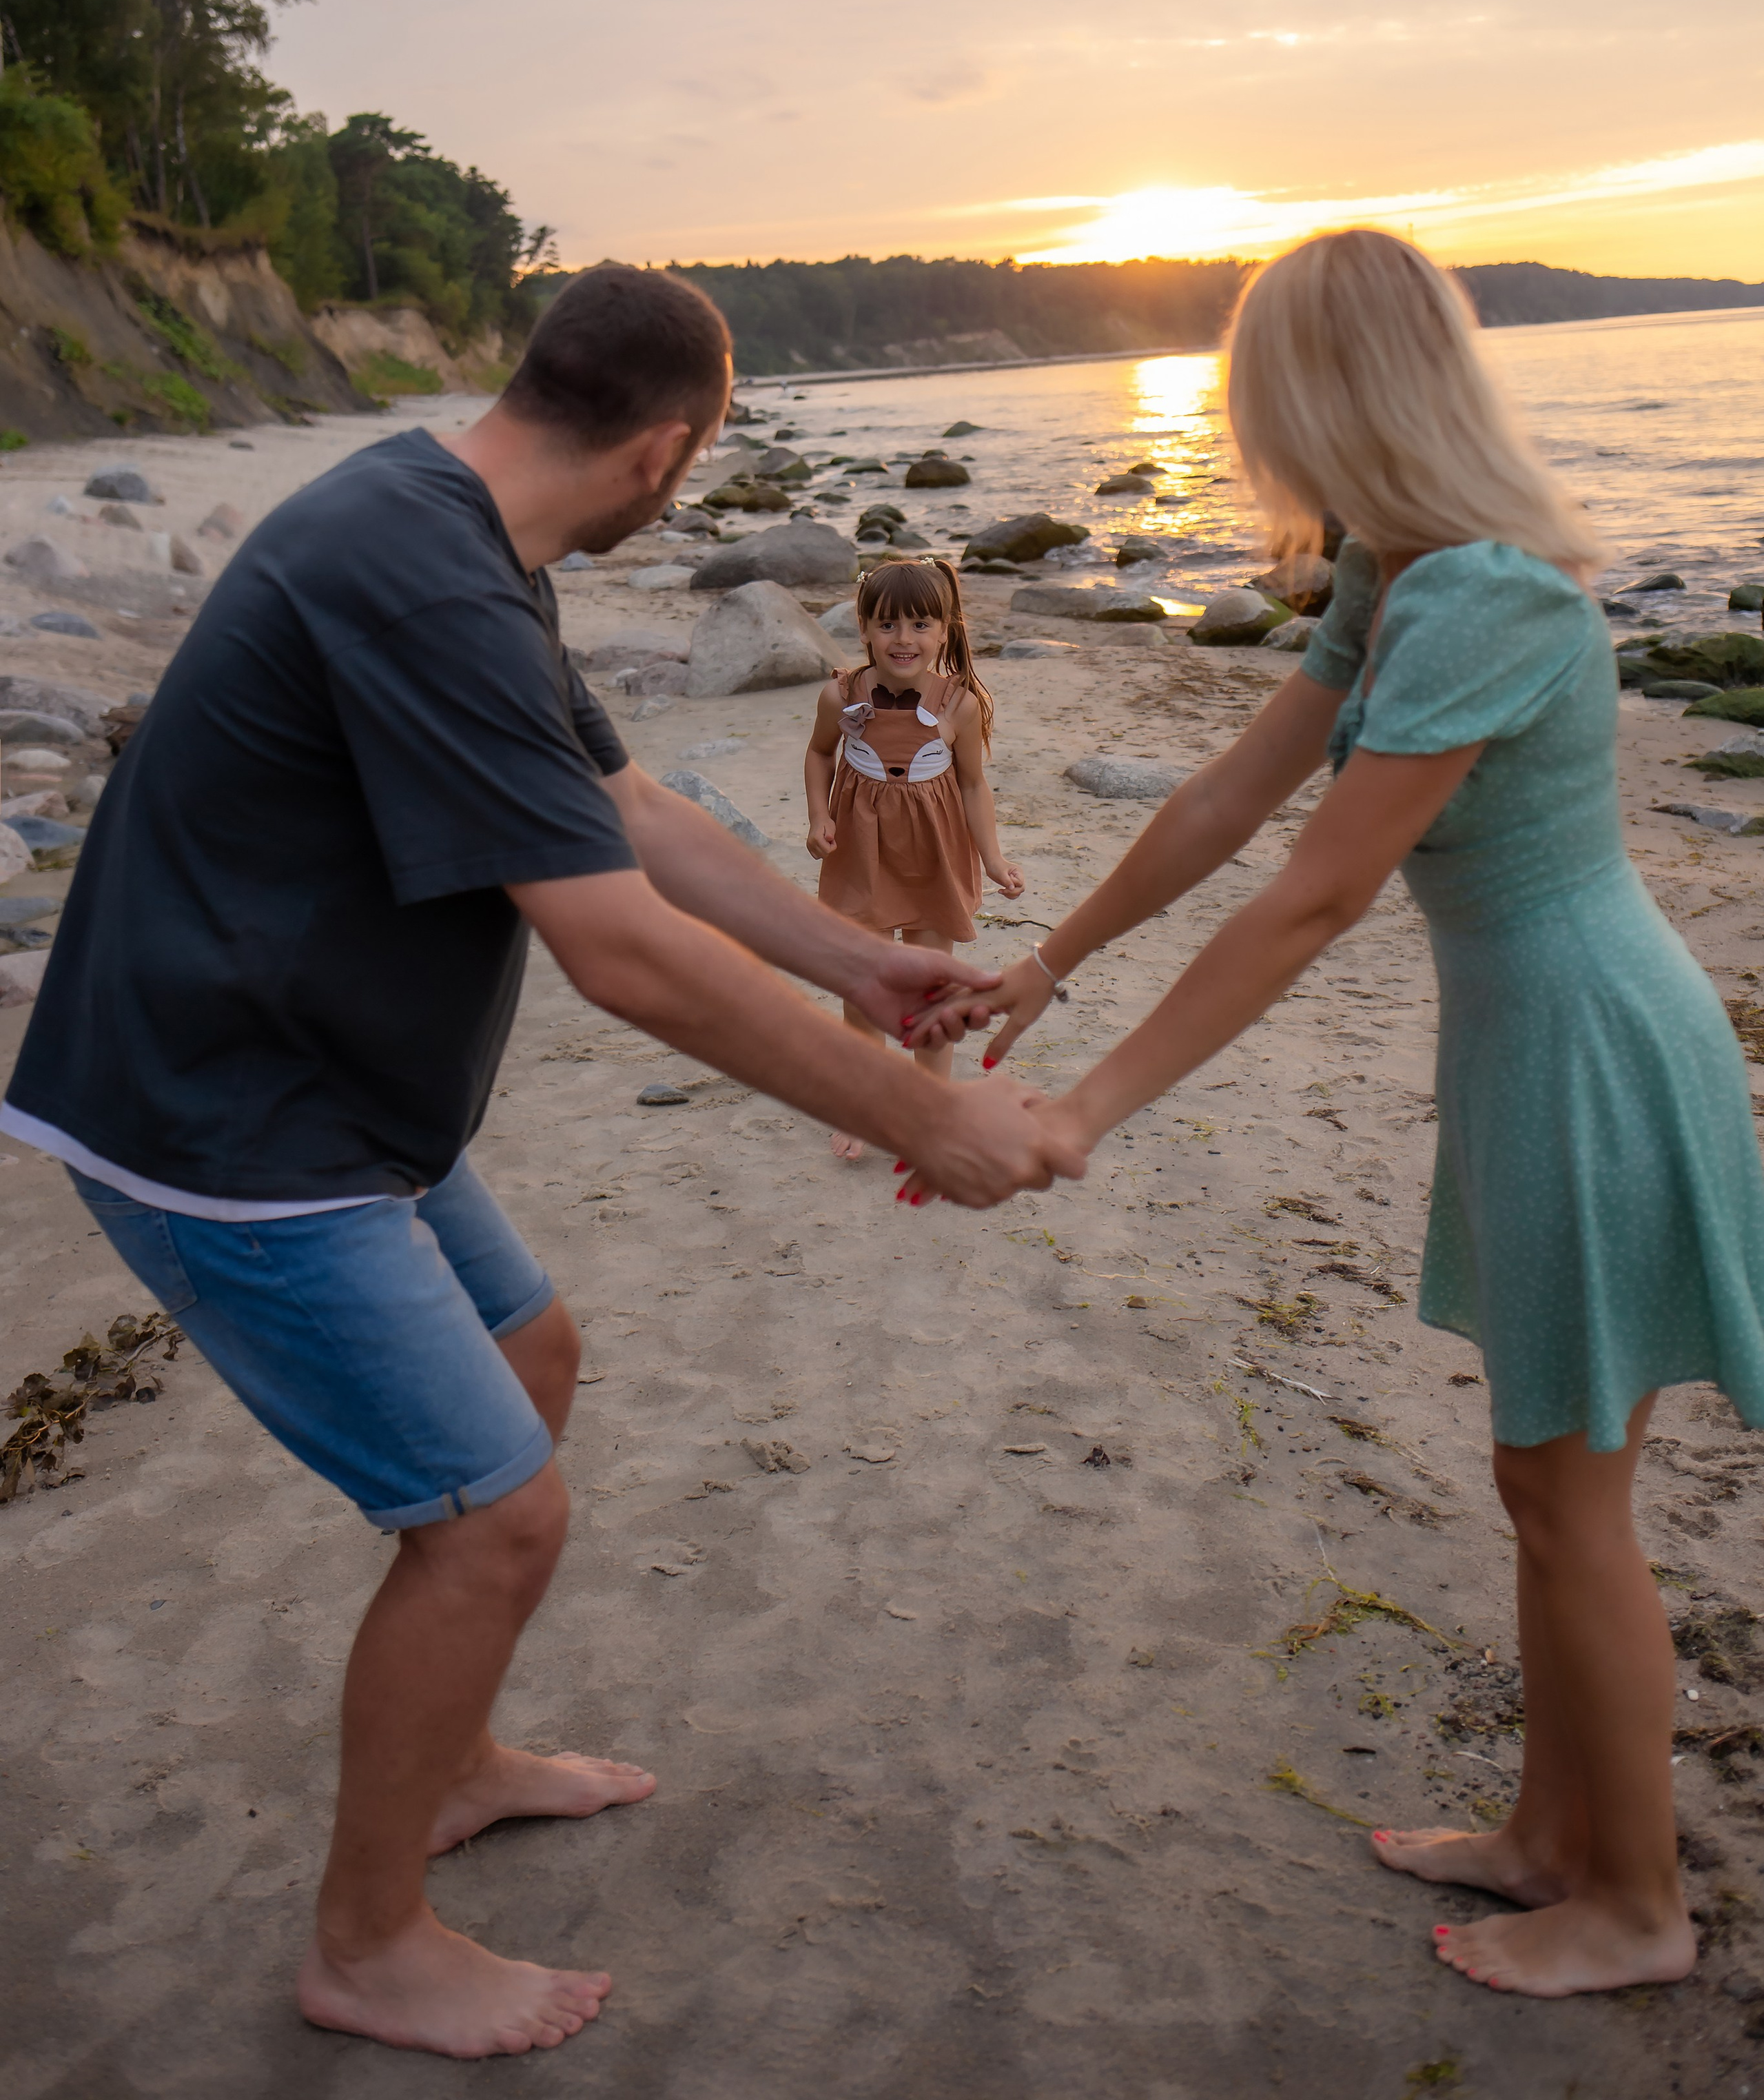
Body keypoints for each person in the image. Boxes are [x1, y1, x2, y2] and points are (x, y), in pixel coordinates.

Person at [1, 264, 1081, 2062]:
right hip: (228, 1119)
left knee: (534, 1358)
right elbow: (619, 948)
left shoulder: (453, 531)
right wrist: (923, 1118)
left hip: (329, 1091)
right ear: (669, 452)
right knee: (500, 1520)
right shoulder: (420, 568)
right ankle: (366, 1943)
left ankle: (454, 1763)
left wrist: (861, 968)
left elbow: (630, 809)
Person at [963, 227, 1764, 1999]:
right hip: (1524, 1034)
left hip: (1584, 1048)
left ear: (1325, 393)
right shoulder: (1394, 570)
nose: (1258, 442)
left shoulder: (1485, 588)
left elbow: (1313, 896)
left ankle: (1636, 1904)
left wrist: (1085, 1108)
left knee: (1574, 1497)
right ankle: (1555, 1837)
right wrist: (1052, 964)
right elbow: (1228, 793)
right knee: (1536, 1471)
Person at [803, 558, 1024, 1161]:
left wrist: (995, 860)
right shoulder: (841, 695)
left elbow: (975, 787)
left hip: (932, 858)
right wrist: (818, 816)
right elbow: (820, 755)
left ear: (947, 630)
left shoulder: (960, 705)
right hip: (861, 857)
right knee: (864, 989)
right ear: (865, 626)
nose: (905, 639)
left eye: (921, 625)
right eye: (889, 625)